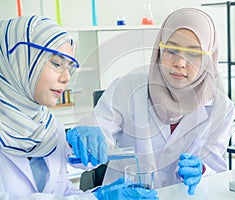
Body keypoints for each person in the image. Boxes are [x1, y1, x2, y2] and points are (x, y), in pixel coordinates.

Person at [77, 7, 235, 196]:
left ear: (209, 58)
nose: (180, 63)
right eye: (172, 50)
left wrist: (202, 171)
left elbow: (215, 169)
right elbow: (93, 141)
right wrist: (88, 140)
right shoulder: (127, 88)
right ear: (160, 50)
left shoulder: (221, 108)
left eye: (194, 54)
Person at [0, 15, 158, 200]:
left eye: (69, 67)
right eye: (57, 64)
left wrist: (97, 194)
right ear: (18, 60)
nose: (67, 77)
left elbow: (63, 193)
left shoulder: (49, 129)